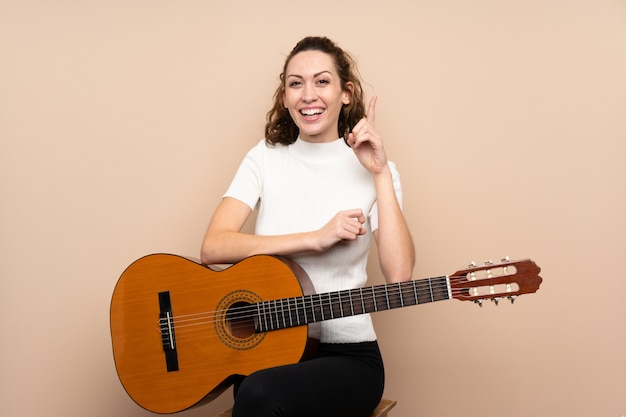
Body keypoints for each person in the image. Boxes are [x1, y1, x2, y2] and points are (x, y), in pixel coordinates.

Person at [200, 36, 415, 417]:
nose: (307, 95)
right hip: (270, 347)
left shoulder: (377, 170)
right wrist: (314, 239)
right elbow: (214, 247)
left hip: (348, 358)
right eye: (295, 83)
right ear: (284, 97)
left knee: (260, 396)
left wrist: (380, 174)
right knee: (257, 391)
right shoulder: (264, 158)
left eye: (322, 81)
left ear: (346, 93)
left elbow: (399, 274)